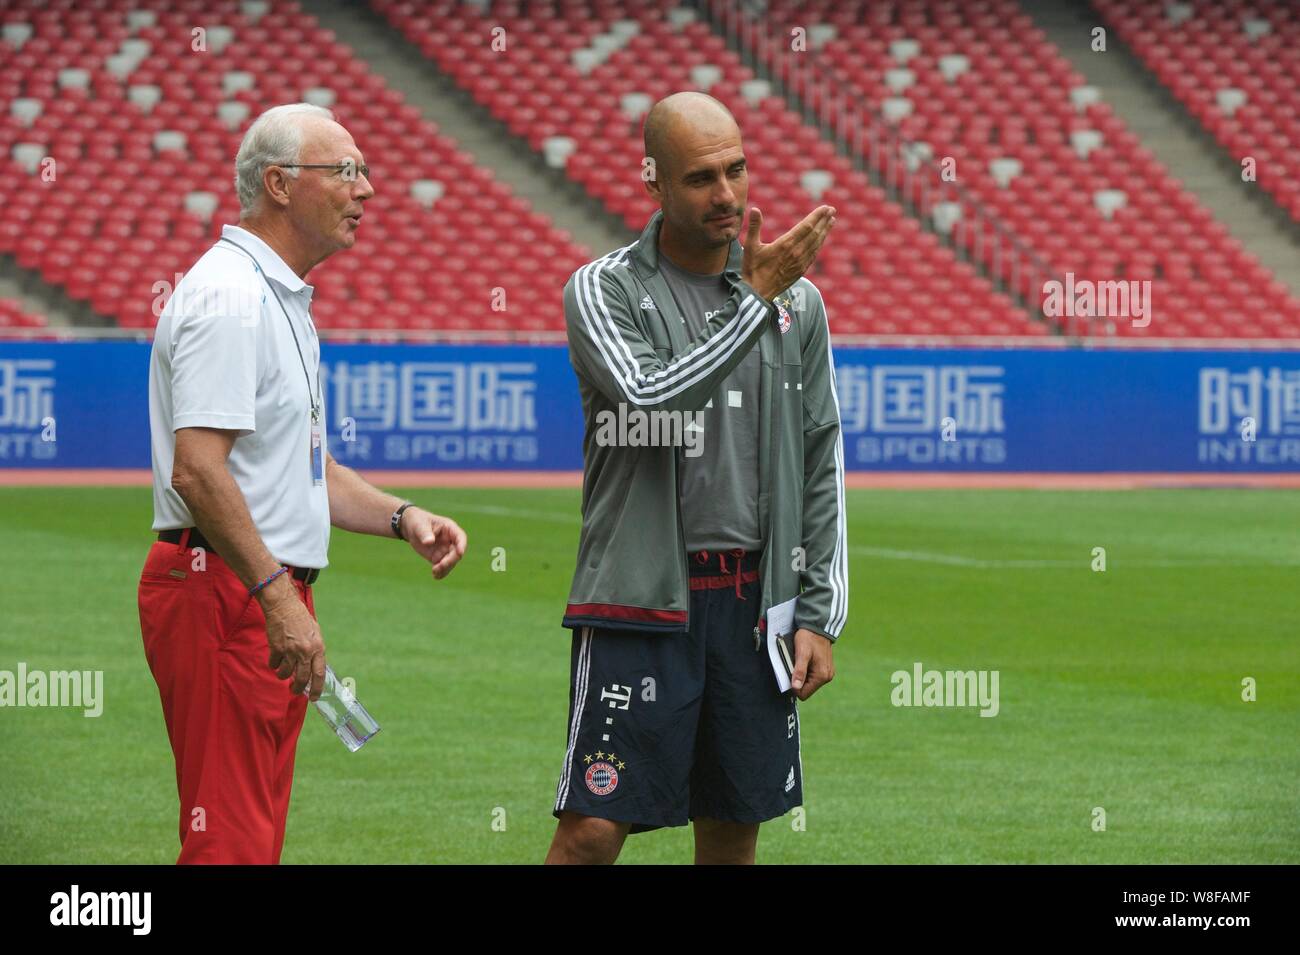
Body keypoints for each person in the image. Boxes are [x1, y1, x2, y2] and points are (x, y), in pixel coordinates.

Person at [138, 103, 467, 864]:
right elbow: (198, 468)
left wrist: (401, 516)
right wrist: (277, 596)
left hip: (246, 589)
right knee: (230, 843)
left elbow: (302, 468)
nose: (368, 189)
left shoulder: (274, 295)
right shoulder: (232, 297)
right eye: (346, 170)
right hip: (226, 590)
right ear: (280, 184)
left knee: (249, 834)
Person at [547, 92, 847, 864]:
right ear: (653, 183)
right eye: (701, 178)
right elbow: (650, 395)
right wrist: (752, 299)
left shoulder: (797, 305)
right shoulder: (604, 289)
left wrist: (818, 613)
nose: (727, 195)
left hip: (754, 608)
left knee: (731, 827)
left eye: (737, 170)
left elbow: (821, 454)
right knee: (590, 831)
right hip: (640, 599)